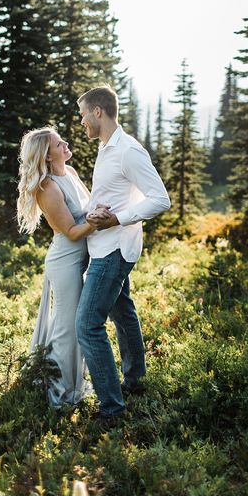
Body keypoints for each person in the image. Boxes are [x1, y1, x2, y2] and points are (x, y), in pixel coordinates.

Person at [76, 85, 171, 422]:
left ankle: (112, 409)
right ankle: (136, 381)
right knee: (123, 312)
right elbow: (114, 193)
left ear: (98, 111)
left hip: (114, 250)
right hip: (107, 244)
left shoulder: (128, 150)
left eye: (84, 114)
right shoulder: (106, 148)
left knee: (87, 325)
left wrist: (116, 218)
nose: (82, 122)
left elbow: (160, 199)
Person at [16, 126, 108, 409]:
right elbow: (70, 230)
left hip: (84, 257)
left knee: (71, 323)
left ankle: (67, 378)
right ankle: (61, 390)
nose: (66, 144)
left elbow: (90, 205)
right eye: (59, 143)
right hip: (66, 261)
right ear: (46, 156)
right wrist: (96, 221)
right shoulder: (46, 188)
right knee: (69, 326)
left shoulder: (71, 173)